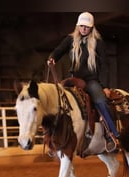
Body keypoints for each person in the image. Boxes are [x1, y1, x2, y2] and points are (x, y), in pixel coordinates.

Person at [47, 12, 119, 152]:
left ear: (91, 28)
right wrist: (52, 58)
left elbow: (105, 65)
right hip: (74, 79)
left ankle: (111, 134)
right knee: (58, 100)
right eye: (82, 26)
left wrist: (104, 86)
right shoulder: (70, 39)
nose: (84, 29)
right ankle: (54, 138)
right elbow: (58, 51)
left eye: (87, 26)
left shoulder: (98, 42)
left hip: (91, 81)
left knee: (101, 101)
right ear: (77, 26)